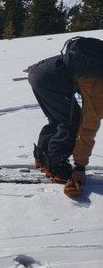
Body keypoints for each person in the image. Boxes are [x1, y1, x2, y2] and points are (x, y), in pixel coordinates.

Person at [28, 53, 102, 197]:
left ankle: (42, 158)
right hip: (49, 79)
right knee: (73, 121)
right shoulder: (99, 91)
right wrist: (80, 166)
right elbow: (87, 128)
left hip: (39, 73)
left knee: (58, 118)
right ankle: (56, 165)